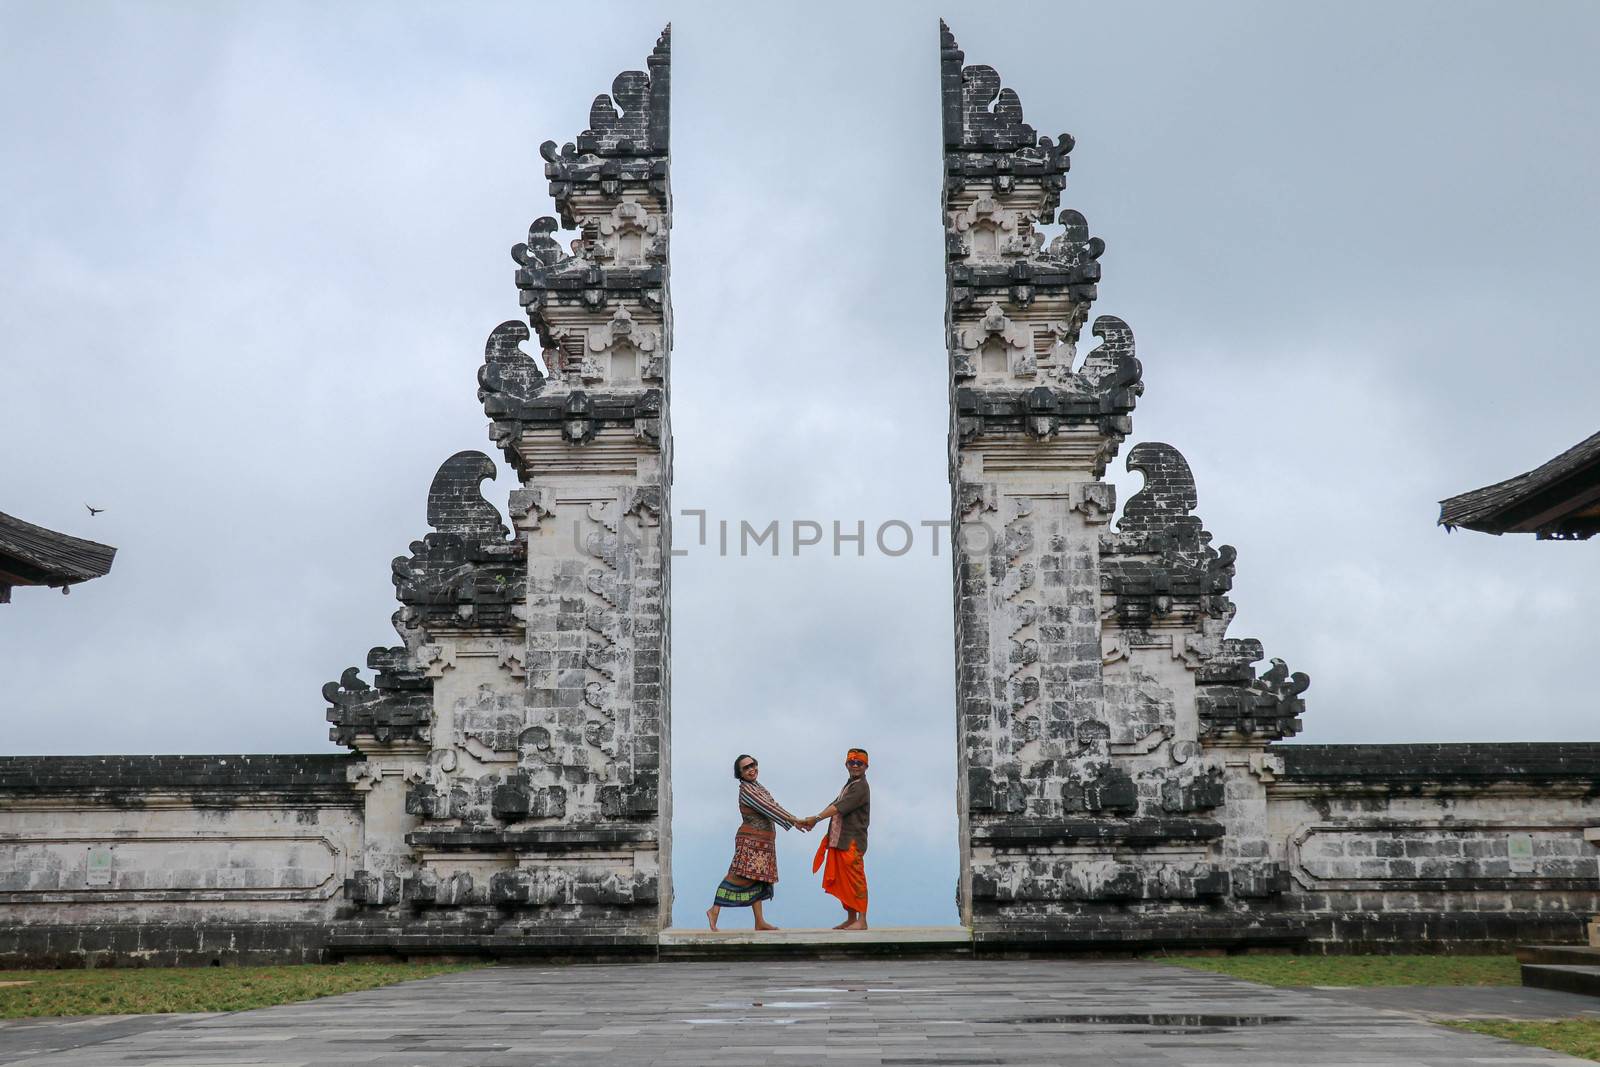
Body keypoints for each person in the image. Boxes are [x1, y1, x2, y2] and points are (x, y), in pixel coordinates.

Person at [706, 753, 806, 931]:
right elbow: (767, 808)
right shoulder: (747, 790)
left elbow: (774, 805)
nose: (751, 769)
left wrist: (793, 819)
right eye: (746, 768)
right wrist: (794, 820)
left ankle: (759, 921)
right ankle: (714, 910)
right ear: (740, 774)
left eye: (752, 765)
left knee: (758, 879)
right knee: (736, 875)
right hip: (750, 841)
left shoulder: (758, 787)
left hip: (763, 841)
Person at [799, 747, 871, 930]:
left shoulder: (861, 786)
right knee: (844, 880)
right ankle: (851, 918)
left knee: (856, 879)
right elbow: (835, 804)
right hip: (840, 840)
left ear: (866, 766)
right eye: (851, 762)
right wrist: (816, 819)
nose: (855, 766)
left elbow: (839, 807)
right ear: (846, 764)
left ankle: (862, 920)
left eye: (859, 763)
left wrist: (815, 818)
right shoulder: (850, 784)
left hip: (852, 841)